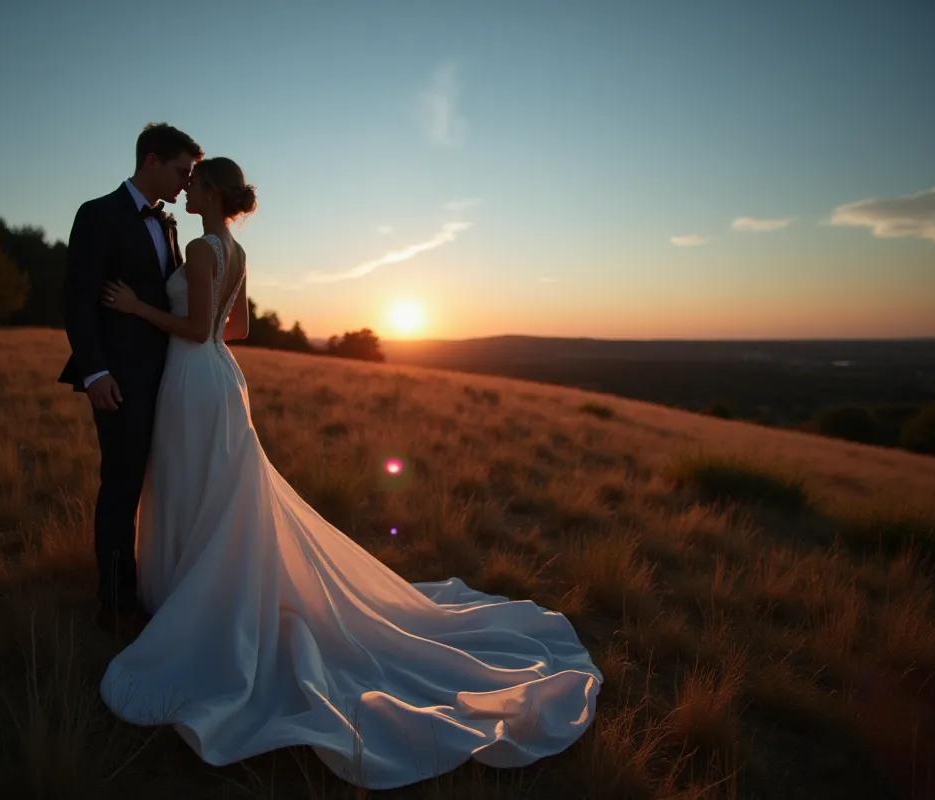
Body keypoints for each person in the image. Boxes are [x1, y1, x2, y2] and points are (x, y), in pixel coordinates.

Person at [97, 157, 602, 790]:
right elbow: (238, 328)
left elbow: (199, 330)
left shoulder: (201, 248)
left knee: (191, 486)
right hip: (222, 381)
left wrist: (139, 308)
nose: (187, 189)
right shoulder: (236, 250)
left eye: (195, 183)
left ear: (210, 194)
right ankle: (194, 589)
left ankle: (185, 598)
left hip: (194, 380)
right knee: (215, 490)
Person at [57, 122, 202, 636]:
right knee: (120, 487)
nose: (187, 183)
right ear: (152, 161)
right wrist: (95, 371)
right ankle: (115, 605)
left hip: (169, 379)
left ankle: (155, 585)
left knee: (158, 486)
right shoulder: (98, 214)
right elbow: (78, 299)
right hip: (118, 379)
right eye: (182, 171)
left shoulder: (168, 226)